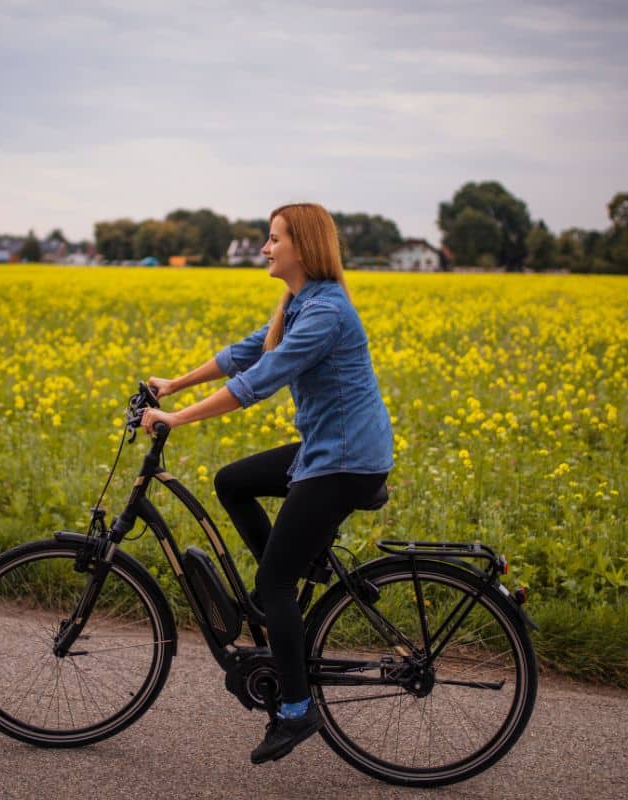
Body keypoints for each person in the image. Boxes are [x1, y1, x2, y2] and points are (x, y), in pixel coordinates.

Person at [140, 202, 393, 764]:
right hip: (327, 451)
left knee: (275, 585)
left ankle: (298, 710)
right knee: (232, 481)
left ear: (301, 246)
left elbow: (259, 381)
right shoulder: (298, 303)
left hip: (344, 463)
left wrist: (176, 421)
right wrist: (173, 385)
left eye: (273, 238)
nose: (264, 248)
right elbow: (246, 352)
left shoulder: (325, 313)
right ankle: (293, 578)